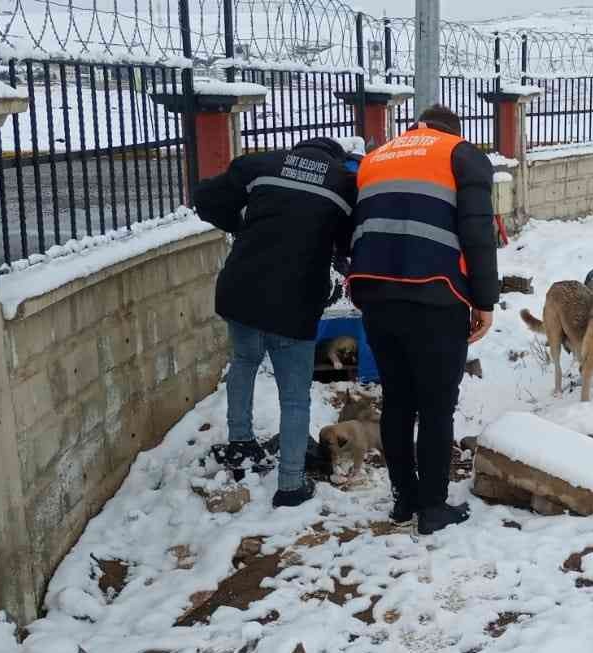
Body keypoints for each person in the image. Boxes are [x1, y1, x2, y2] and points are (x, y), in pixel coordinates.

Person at [346, 105, 500, 535]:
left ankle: (403, 500)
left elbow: (354, 226)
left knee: (398, 399)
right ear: (453, 130)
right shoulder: (461, 154)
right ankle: (433, 507)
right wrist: (484, 300)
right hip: (435, 296)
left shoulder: (377, 157)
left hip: (375, 294)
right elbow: (477, 232)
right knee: (435, 405)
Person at [192, 137, 359, 508]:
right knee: (295, 396)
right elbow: (349, 244)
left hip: (241, 289)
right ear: (337, 159)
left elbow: (204, 197)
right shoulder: (343, 184)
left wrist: (238, 225)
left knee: (245, 360)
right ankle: (290, 484)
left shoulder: (262, 164)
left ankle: (240, 445)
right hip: (294, 301)